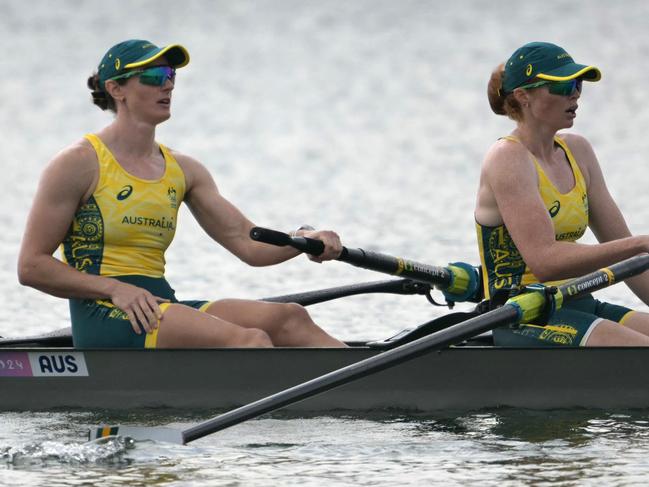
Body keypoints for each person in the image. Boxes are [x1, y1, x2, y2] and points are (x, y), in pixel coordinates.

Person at [17, 39, 347, 349]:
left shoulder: (184, 169)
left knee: (290, 317)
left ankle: (369, 386)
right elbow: (31, 266)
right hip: (105, 313)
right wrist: (115, 288)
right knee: (250, 340)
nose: (168, 84)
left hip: (160, 306)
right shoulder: (78, 164)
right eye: (154, 75)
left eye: (171, 75)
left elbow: (248, 243)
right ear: (116, 89)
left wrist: (304, 237)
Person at [475, 41, 649, 347]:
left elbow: (631, 258)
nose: (575, 94)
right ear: (523, 95)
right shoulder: (507, 158)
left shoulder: (578, 151)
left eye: (578, 83)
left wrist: (639, 248)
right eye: (563, 85)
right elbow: (546, 261)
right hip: (524, 316)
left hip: (579, 304)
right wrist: (642, 243)